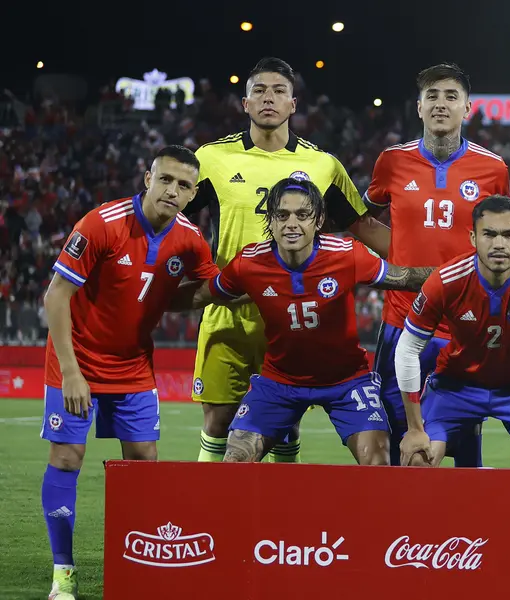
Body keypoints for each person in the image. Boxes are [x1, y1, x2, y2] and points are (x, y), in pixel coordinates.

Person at [187, 57, 390, 464]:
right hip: (230, 312)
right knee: (218, 421)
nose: (269, 98)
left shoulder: (322, 165)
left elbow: (363, 225)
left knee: (285, 422)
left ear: (293, 104)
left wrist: (445, 264)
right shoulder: (211, 159)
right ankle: (213, 502)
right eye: (259, 90)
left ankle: (282, 504)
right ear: (245, 103)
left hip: (292, 315)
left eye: (279, 91)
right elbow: (173, 218)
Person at [41, 146, 219, 600]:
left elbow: (205, 288)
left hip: (133, 366)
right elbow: (56, 296)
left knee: (143, 462)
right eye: (166, 180)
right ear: (147, 179)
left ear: (193, 193)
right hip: (78, 360)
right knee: (67, 458)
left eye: (183, 185)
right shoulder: (102, 223)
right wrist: (71, 373)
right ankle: (63, 572)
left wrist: (245, 284)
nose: (172, 191)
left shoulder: (190, 240)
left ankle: (138, 568)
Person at [197, 178, 433, 464]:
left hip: (347, 382)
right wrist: (155, 294)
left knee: (378, 463)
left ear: (319, 220)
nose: (291, 224)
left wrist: (466, 273)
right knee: (235, 459)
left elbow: (407, 278)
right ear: (270, 220)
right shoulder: (249, 262)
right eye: (282, 215)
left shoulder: (346, 255)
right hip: (279, 383)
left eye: (302, 215)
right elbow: (202, 294)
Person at [366, 63, 510, 467]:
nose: (441, 104)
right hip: (401, 321)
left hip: (464, 326)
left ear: (467, 107)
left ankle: (468, 511)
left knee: (464, 445)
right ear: (419, 107)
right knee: (400, 441)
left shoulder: (493, 169)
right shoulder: (392, 161)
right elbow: (365, 220)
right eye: (432, 96)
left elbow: (500, 236)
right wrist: (399, 264)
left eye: (451, 96)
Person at [394, 195, 510, 469]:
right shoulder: (445, 280)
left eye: (509, 235)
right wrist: (414, 428)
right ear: (473, 238)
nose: (499, 244)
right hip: (456, 386)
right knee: (417, 459)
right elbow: (407, 349)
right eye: (489, 234)